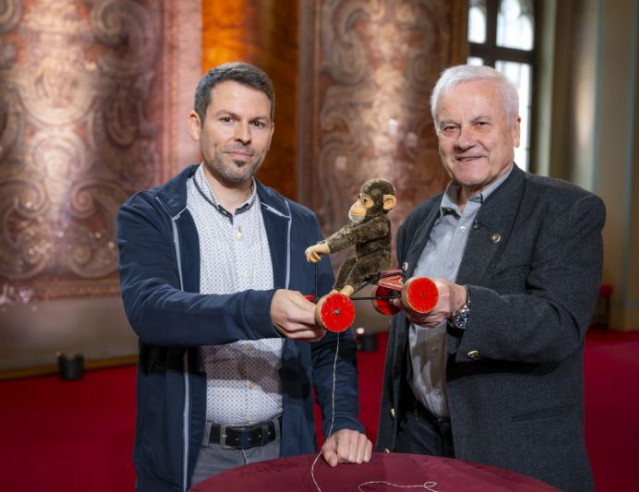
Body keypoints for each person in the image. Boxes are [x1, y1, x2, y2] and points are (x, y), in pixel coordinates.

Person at [117, 62, 372, 492]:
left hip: (284, 450)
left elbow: (332, 338)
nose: (243, 136)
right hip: (192, 456)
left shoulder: (298, 224)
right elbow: (151, 311)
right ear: (196, 124)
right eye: (228, 119)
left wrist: (342, 419)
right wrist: (262, 309)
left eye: (257, 123)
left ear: (270, 132)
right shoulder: (151, 214)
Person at [376, 64, 605, 492]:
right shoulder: (417, 223)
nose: (465, 140)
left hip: (510, 448)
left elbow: (559, 326)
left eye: (481, 123)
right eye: (450, 127)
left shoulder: (565, 210)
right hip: (418, 438)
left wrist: (462, 303)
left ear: (515, 129)